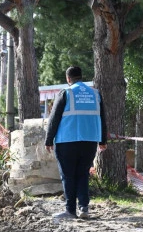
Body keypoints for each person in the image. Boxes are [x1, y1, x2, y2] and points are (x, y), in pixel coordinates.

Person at [44, 66, 108, 220]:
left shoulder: (66, 93)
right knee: (83, 174)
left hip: (67, 140)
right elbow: (102, 118)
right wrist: (103, 140)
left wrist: (49, 139)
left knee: (68, 175)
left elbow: (54, 117)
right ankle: (84, 208)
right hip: (90, 140)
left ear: (68, 79)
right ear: (81, 76)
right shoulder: (95, 94)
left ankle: (70, 210)